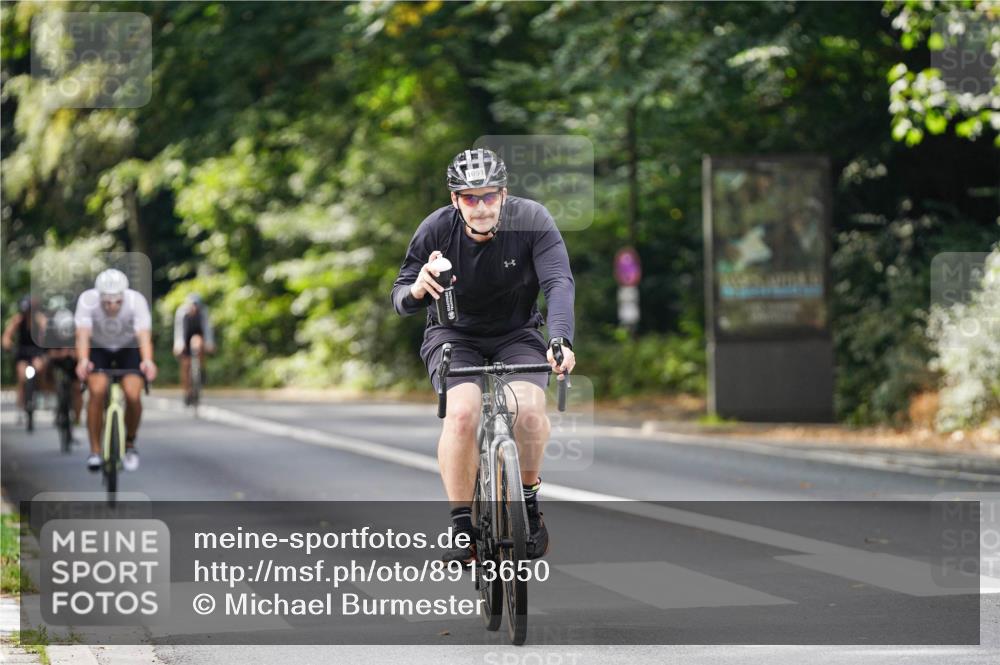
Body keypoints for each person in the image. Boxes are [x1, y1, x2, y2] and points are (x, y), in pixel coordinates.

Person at [390, 148, 577, 562]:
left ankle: (528, 502)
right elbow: (399, 296)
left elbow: (558, 282)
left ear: (504, 194)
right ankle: (462, 527)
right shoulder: (436, 229)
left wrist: (561, 339)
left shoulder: (532, 220)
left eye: (489, 196)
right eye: (470, 198)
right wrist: (418, 289)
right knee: (462, 413)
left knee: (529, 411)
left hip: (517, 333)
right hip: (453, 335)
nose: (481, 207)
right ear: (455, 200)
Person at [75, 269, 157, 472]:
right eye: (107, 302)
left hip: (128, 348)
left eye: (117, 302)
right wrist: (83, 360)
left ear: (124, 296)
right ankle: (95, 451)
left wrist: (148, 361)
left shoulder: (136, 301)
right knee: (97, 391)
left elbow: (144, 335)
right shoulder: (87, 300)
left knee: (132, 394)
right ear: (99, 297)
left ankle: (130, 443)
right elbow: (82, 335)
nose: (112, 306)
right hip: (99, 348)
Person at [2, 296, 48, 419]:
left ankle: (42, 394)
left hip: (37, 353)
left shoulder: (40, 320)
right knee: (22, 376)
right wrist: (8, 345)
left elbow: (46, 335)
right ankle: (20, 406)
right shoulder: (18, 320)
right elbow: (7, 336)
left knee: (40, 368)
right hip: (22, 354)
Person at [172, 293, 215, 404]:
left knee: (199, 343)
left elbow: (207, 329)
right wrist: (178, 345)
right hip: (186, 336)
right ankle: (187, 392)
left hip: (198, 334)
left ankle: (201, 369)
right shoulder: (182, 313)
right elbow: (179, 331)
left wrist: (209, 343)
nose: (194, 308)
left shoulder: (203, 312)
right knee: (185, 365)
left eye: (196, 306)